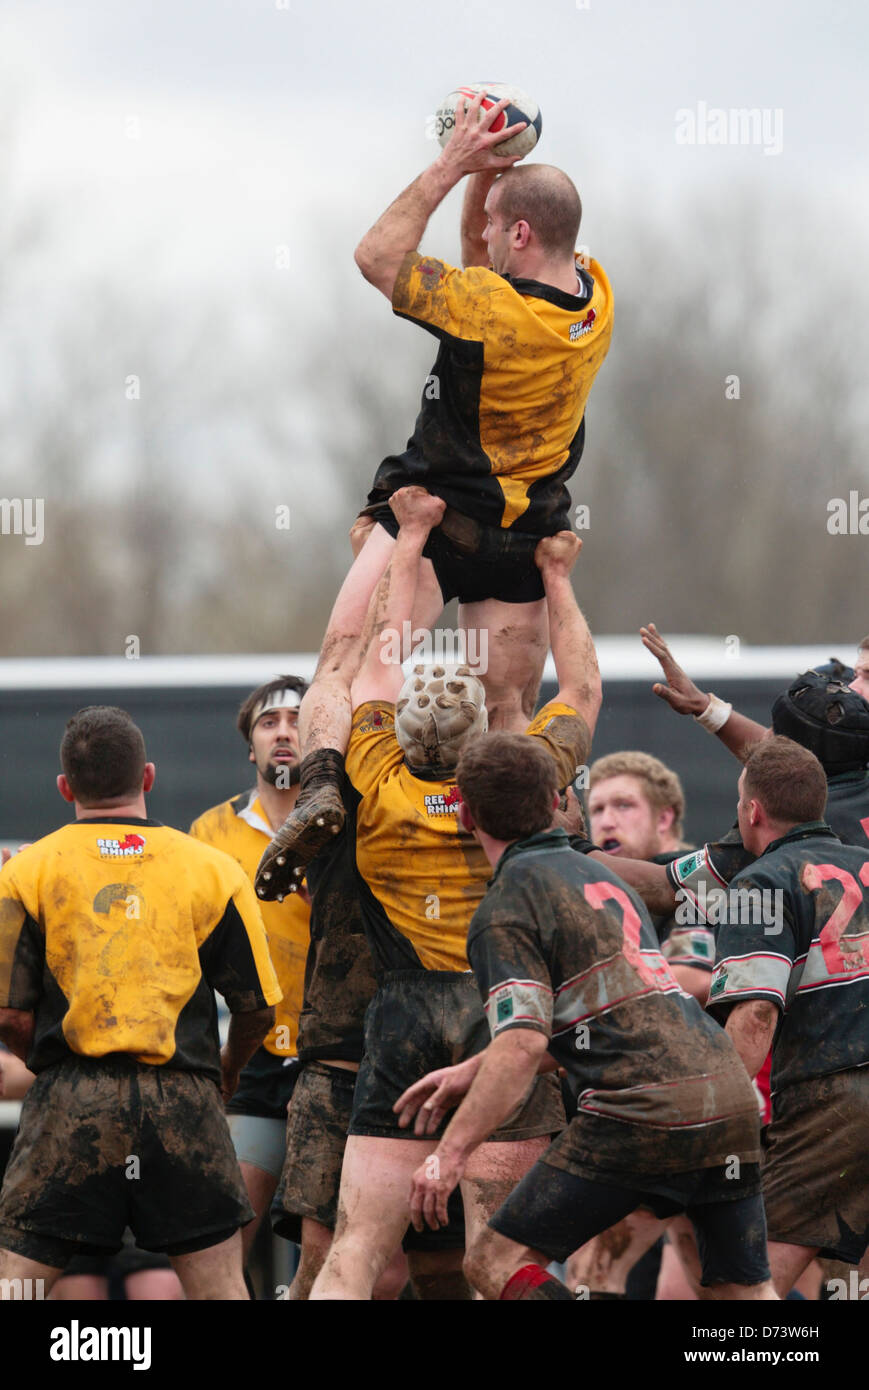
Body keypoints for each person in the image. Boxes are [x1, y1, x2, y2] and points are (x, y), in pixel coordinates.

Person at [258, 90, 613, 883]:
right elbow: (491, 261)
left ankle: (318, 790)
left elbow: (377, 258)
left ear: (518, 235)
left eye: (492, 224)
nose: (479, 232)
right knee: (510, 706)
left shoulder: (486, 311)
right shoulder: (596, 292)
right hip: (524, 528)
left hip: (434, 511)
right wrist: (500, 175)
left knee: (345, 668)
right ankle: (521, 837)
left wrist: (455, 162)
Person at [304, 489, 597, 1299]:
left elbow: (381, 654)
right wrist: (557, 576)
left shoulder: (377, 776)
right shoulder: (518, 784)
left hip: (401, 1017)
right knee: (496, 1260)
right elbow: (581, 689)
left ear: (397, 731)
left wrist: (414, 539)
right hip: (501, 1014)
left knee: (357, 1251)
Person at [396, 732, 777, 1302]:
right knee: (740, 1296)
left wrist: (445, 1158)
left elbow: (522, 1045)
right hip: (728, 1099)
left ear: (465, 816)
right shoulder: (606, 877)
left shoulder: (505, 908)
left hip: (639, 1111)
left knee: (495, 1261)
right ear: (557, 802)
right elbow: (598, 1021)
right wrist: (473, 1068)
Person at [0, 706, 281, 1300]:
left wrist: (49, 1067)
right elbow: (258, 1009)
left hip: (69, 1104)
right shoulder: (215, 869)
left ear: (64, 787)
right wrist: (226, 1072)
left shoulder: (23, 872)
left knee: (17, 1287)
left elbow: (7, 1013)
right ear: (147, 777)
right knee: (220, 1288)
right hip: (186, 1102)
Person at [708, 736, 869, 1296]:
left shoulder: (761, 881)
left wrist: (712, 1112)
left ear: (752, 811)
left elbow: (754, 1013)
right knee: (849, 1274)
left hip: (835, 1095)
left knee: (743, 1282)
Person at [189, 677, 311, 1269]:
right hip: (250, 1057)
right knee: (224, 1245)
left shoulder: (353, 825)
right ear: (250, 746)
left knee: (337, 1256)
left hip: (339, 1057)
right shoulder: (209, 835)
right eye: (270, 723)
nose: (284, 731)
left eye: (297, 720)